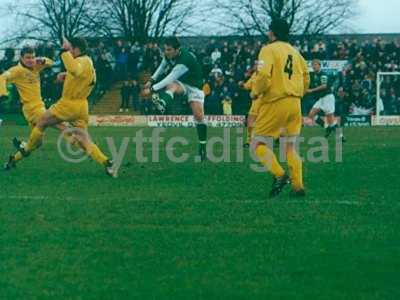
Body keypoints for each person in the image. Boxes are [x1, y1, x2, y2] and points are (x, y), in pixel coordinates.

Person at [11, 37, 116, 177]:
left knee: (42, 122)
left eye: (71, 48)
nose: (70, 52)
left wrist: (64, 51)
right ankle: (106, 162)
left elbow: (75, 70)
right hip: (82, 107)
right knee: (84, 139)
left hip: (68, 104)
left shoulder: (79, 60)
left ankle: (26, 146)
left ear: (76, 48)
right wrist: (65, 75)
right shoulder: (88, 61)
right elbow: (83, 77)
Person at [252, 19, 310, 198]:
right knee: (289, 147)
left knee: (257, 144)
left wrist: (256, 91)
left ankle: (279, 175)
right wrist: (300, 93)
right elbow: (306, 77)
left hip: (276, 101)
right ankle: (298, 186)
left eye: (269, 31)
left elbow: (262, 75)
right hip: (295, 103)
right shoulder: (296, 52)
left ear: (272, 33)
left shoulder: (268, 49)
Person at [0, 46, 77, 170]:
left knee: (36, 144)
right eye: (27, 58)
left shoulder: (36, 65)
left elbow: (51, 62)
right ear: (21, 58)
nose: (31, 60)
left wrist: (44, 60)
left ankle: (12, 160)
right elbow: (2, 77)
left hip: (39, 107)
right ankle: (80, 144)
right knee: (57, 123)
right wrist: (3, 93)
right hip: (31, 109)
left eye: (32, 57)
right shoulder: (17, 70)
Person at [143, 37, 208, 161]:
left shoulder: (185, 60)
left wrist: (152, 89)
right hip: (181, 83)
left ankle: (202, 148)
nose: (166, 52)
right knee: (171, 86)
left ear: (177, 49)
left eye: (169, 50)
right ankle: (162, 103)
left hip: (195, 86)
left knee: (199, 116)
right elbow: (162, 67)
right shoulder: (168, 55)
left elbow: (170, 77)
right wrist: (151, 80)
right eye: (165, 49)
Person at [307, 59, 345, 140]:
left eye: (315, 65)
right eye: (312, 65)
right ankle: (327, 127)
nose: (314, 67)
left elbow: (324, 86)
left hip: (328, 97)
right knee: (311, 114)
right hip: (321, 99)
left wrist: (312, 90)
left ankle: (341, 136)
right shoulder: (313, 75)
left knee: (331, 119)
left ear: (319, 66)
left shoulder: (323, 74)